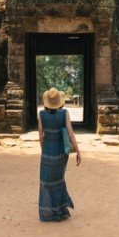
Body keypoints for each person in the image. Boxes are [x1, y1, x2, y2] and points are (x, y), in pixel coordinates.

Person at [38, 87, 81, 222]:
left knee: (46, 181)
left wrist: (44, 150)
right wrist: (78, 151)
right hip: (61, 152)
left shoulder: (41, 114)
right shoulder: (64, 113)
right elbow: (70, 134)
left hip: (47, 151)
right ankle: (60, 211)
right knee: (58, 179)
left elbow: (40, 136)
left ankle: (48, 212)